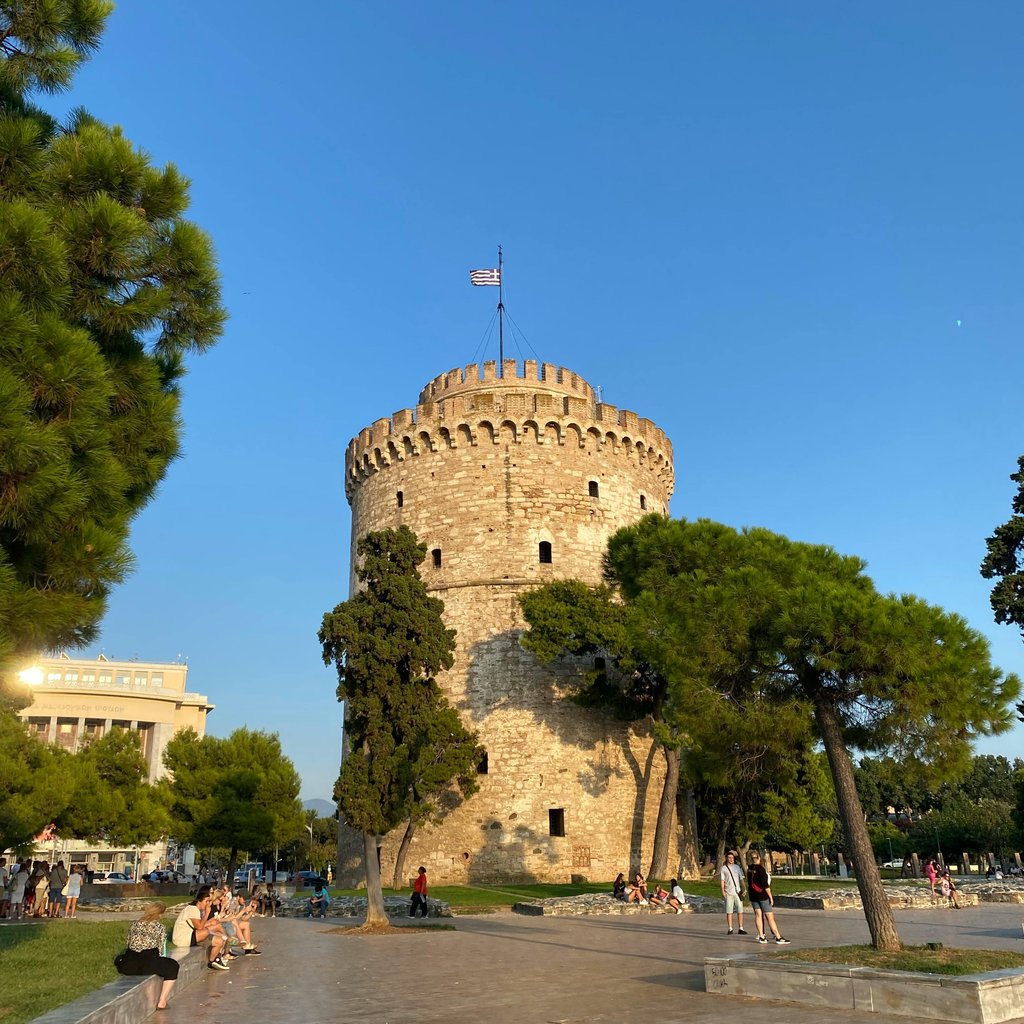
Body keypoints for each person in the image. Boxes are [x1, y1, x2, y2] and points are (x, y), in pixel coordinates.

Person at [116, 902, 179, 1009]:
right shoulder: (159, 927)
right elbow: (160, 949)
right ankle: (162, 1002)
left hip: (129, 964)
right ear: (160, 914)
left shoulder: (134, 924)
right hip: (148, 963)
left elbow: (129, 943)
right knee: (173, 966)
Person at [172, 886, 230, 970]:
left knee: (219, 940)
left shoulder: (198, 910)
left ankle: (213, 960)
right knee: (206, 931)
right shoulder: (192, 909)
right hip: (183, 938)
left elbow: (201, 925)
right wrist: (207, 913)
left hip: (191, 935)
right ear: (200, 900)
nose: (207, 904)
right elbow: (199, 927)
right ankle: (219, 956)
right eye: (206, 901)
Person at [745, 852, 790, 944]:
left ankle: (761, 936)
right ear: (759, 858)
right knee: (770, 916)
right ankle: (778, 937)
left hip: (753, 895)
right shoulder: (761, 870)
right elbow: (765, 886)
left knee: (758, 915)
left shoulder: (749, 869)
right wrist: (770, 897)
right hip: (762, 895)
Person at [720, 851, 747, 935]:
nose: (731, 859)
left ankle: (741, 928)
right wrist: (723, 891)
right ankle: (730, 928)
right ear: (727, 859)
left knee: (740, 910)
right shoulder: (724, 868)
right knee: (729, 911)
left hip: (737, 892)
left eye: (732, 858)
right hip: (728, 892)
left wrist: (744, 889)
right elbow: (722, 880)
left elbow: (741, 879)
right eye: (729, 858)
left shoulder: (737, 867)